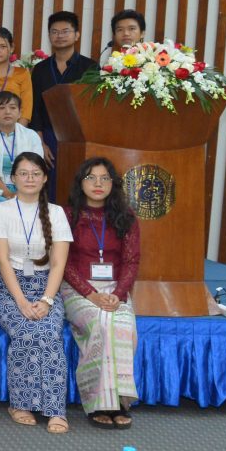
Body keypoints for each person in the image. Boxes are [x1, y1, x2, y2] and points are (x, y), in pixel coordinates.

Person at [0, 151, 74, 433]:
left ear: (45, 178)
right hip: (9, 286)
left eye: (36, 173)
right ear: (13, 178)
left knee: (48, 332)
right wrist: (21, 301)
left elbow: (58, 264)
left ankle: (55, 409)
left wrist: (47, 300)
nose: (30, 179)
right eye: (23, 173)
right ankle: (20, 404)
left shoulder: (56, 213)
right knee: (25, 330)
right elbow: (2, 261)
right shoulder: (1, 210)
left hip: (46, 285)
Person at [63, 158, 141, 429]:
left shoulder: (126, 217)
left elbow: (131, 261)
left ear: (113, 183)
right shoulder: (68, 216)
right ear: (80, 183)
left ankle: (119, 402)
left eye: (104, 178)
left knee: (122, 324)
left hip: (115, 289)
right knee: (101, 322)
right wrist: (90, 294)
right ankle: (99, 402)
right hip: (77, 288)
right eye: (91, 178)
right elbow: (63, 263)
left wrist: (118, 294)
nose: (98, 184)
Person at [29, 10, 97, 186]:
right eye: (54, 31)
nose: (59, 36)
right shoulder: (40, 69)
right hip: (48, 136)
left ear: (77, 35)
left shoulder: (90, 67)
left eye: (65, 31)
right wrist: (40, 143)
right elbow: (35, 109)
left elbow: (93, 109)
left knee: (77, 185)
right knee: (49, 187)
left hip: (78, 137)